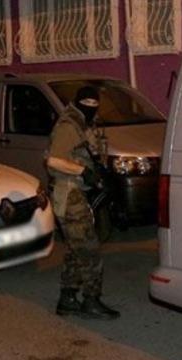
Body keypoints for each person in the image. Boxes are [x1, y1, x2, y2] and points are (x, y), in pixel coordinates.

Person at [46, 86, 120, 320]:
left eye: (94, 102)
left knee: (76, 248)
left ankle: (67, 299)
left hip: (79, 193)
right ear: (78, 102)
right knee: (89, 249)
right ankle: (91, 300)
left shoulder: (85, 125)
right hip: (69, 193)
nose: (91, 106)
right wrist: (84, 172)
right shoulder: (69, 126)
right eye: (86, 102)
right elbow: (54, 161)